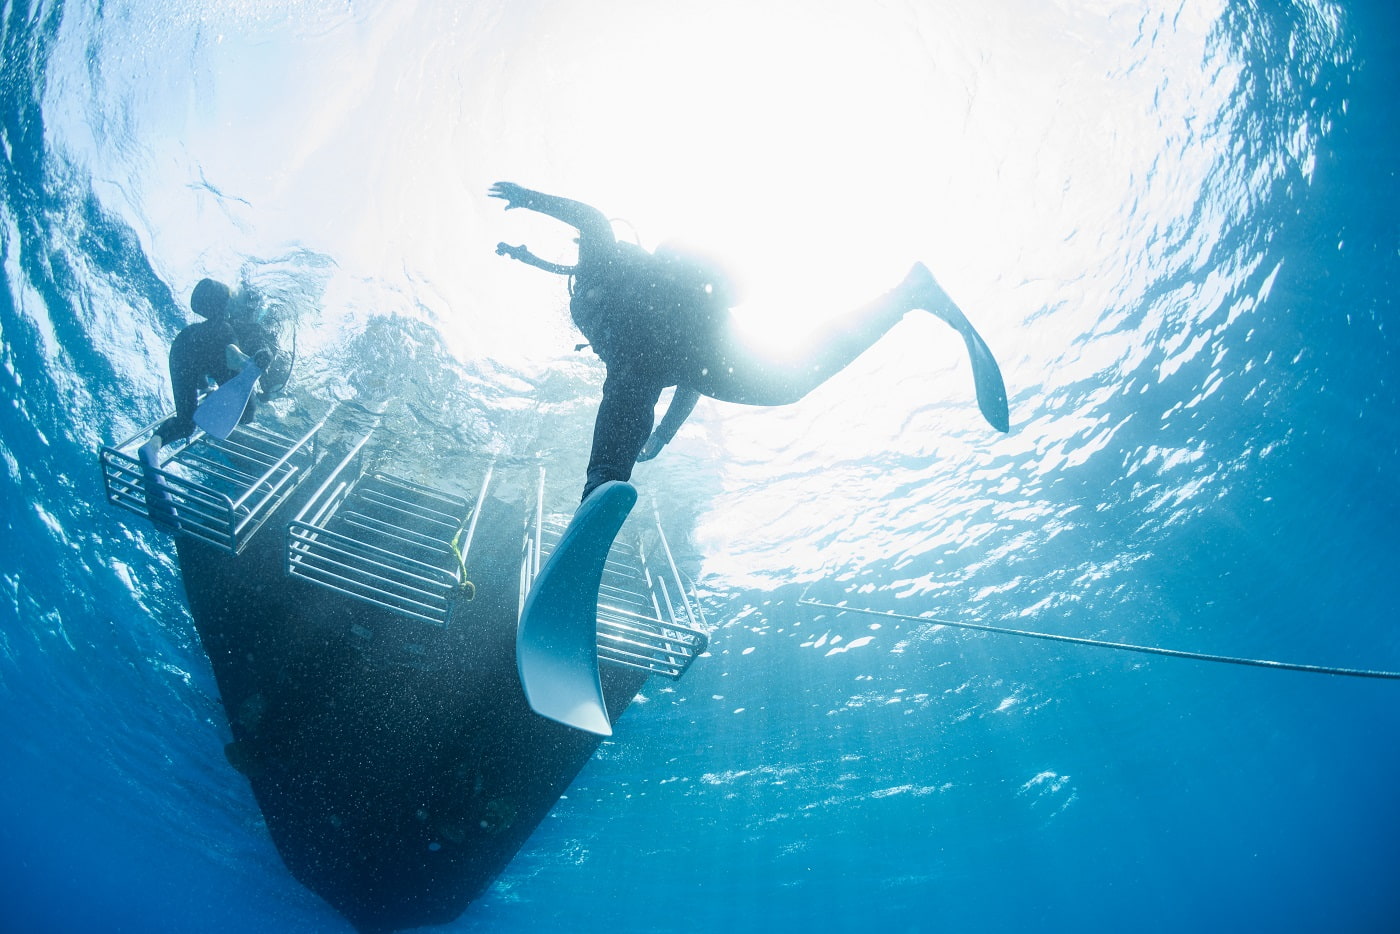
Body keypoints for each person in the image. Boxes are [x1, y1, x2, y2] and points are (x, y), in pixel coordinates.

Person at [489, 181, 1009, 502]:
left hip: (678, 328)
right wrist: (662, 436)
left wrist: (528, 197)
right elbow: (689, 377)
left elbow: (592, 219)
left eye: (580, 252)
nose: (579, 259)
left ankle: (600, 487)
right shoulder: (595, 292)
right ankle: (909, 295)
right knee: (787, 384)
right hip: (680, 351)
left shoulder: (604, 263)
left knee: (625, 407)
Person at [141, 278, 276, 459]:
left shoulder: (198, 330)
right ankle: (215, 386)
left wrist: (206, 386)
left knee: (185, 424)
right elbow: (236, 352)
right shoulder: (229, 327)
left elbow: (199, 362)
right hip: (215, 352)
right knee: (247, 415)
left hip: (181, 349)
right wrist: (254, 361)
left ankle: (153, 446)